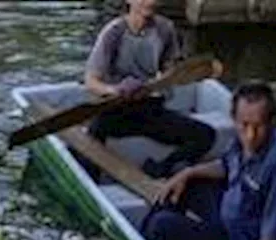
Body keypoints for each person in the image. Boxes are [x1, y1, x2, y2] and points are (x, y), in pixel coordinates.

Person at [137, 81, 276, 240]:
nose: (250, 135)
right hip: (228, 212)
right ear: (235, 120)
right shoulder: (241, 139)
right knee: (180, 184)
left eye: (258, 127)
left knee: (161, 225)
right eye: (244, 125)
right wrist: (186, 174)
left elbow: (275, 234)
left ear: (271, 122)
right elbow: (226, 166)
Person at [84, 0, 222, 177]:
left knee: (205, 135)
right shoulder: (114, 32)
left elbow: (171, 70)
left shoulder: (165, 29)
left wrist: (192, 71)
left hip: (149, 108)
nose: (149, 1)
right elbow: (91, 81)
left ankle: (160, 169)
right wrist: (115, 90)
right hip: (115, 110)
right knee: (92, 138)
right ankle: (92, 184)